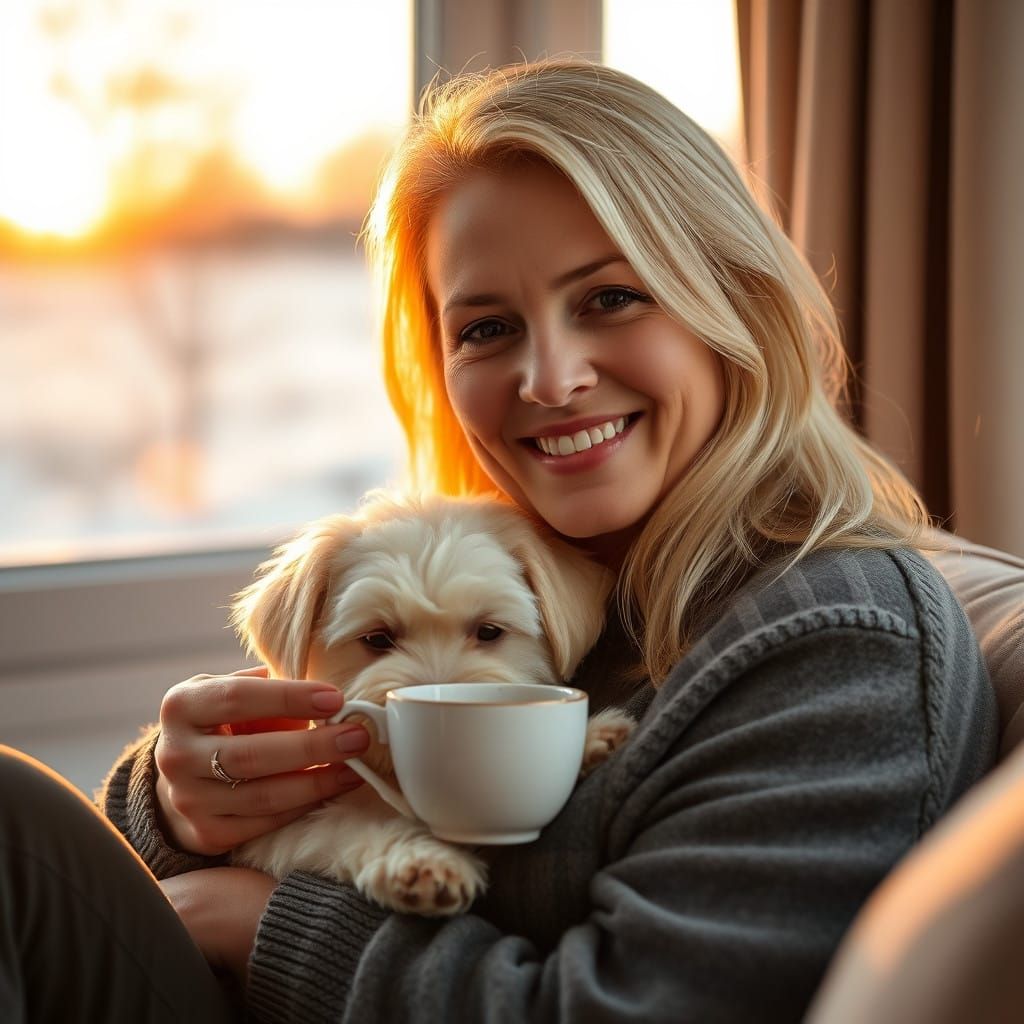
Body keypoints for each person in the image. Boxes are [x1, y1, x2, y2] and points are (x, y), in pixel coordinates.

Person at [0, 59, 998, 1023]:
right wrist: (172, 806)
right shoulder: (517, 556)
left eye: (611, 297)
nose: (549, 378)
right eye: (485, 328)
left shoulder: (839, 646)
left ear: (731, 304)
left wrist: (275, 926)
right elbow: (263, 813)